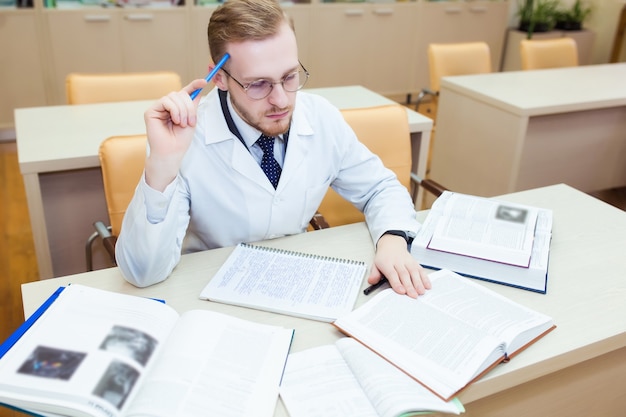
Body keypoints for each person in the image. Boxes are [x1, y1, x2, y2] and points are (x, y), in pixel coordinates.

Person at [115, 0, 431, 298]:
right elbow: (143, 273)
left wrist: (392, 239)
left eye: (289, 76)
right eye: (258, 84)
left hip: (294, 282)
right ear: (220, 78)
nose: (281, 100)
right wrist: (162, 165)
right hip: (209, 292)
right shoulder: (185, 139)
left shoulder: (320, 117)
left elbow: (380, 188)